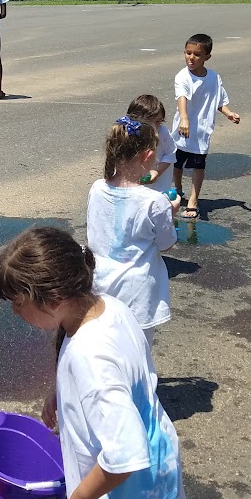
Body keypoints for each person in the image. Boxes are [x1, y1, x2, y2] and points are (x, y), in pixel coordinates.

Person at [0, 227, 188, 499]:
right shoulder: (107, 306)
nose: (15, 312)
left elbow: (125, 455)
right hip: (153, 488)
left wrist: (82, 496)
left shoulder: (90, 359)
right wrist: (60, 389)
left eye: (18, 302)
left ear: (52, 299)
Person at [87, 117, 179, 349]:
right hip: (137, 294)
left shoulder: (97, 188)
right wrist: (170, 212)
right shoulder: (155, 202)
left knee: (105, 348)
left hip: (100, 284)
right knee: (136, 352)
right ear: (148, 156)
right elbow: (166, 243)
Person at [171, 33, 240, 220]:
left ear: (207, 57)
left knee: (198, 165)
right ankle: (177, 189)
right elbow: (181, 97)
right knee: (176, 163)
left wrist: (228, 113)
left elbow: (219, 100)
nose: (191, 58)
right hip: (182, 129)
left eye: (197, 54)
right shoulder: (182, 76)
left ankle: (193, 201)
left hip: (202, 131)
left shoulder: (214, 78)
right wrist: (184, 119)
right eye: (188, 53)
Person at [127, 95, 177, 194]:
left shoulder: (163, 132)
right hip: (133, 183)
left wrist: (157, 172)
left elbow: (170, 154)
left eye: (158, 121)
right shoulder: (129, 134)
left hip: (159, 183)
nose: (154, 126)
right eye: (149, 121)